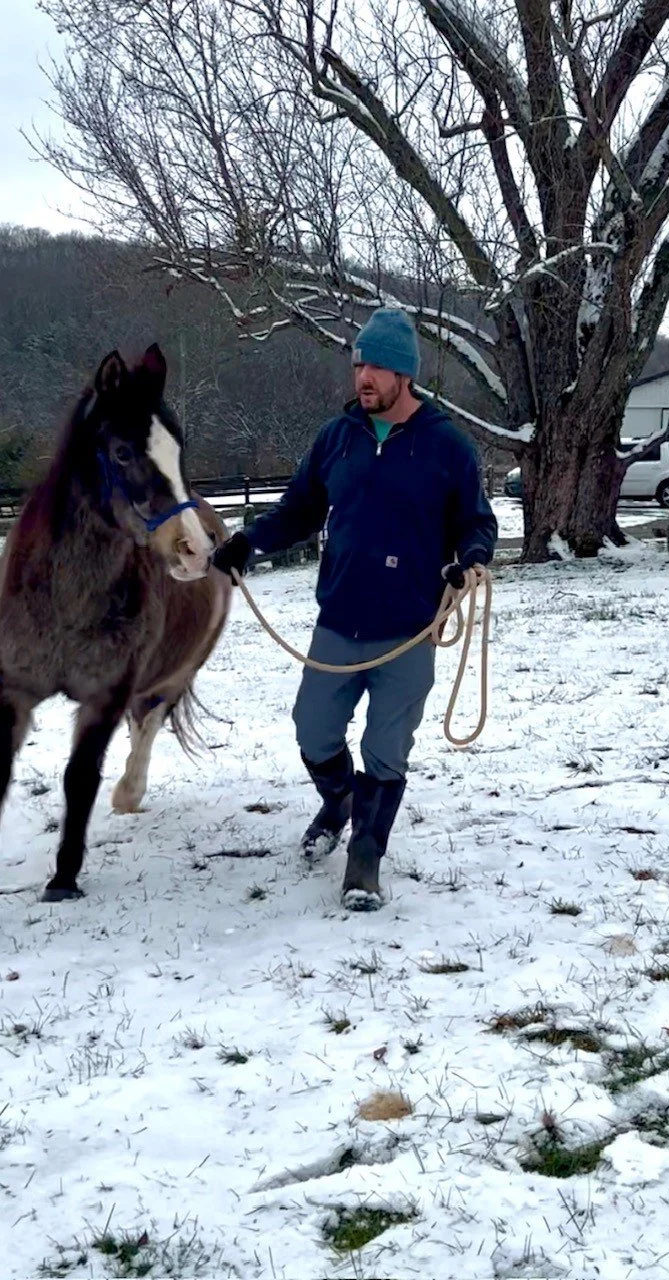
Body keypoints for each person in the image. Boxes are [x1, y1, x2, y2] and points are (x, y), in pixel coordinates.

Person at [212, 309, 498, 911]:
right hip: (339, 621)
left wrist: (468, 561)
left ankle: (365, 858)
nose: (364, 376)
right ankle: (339, 800)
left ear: (405, 374)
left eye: (377, 366)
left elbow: (476, 522)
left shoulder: (447, 446)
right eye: (360, 364)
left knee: (385, 750)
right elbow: (298, 511)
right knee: (312, 730)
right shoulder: (336, 438)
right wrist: (248, 542)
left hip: (409, 628)